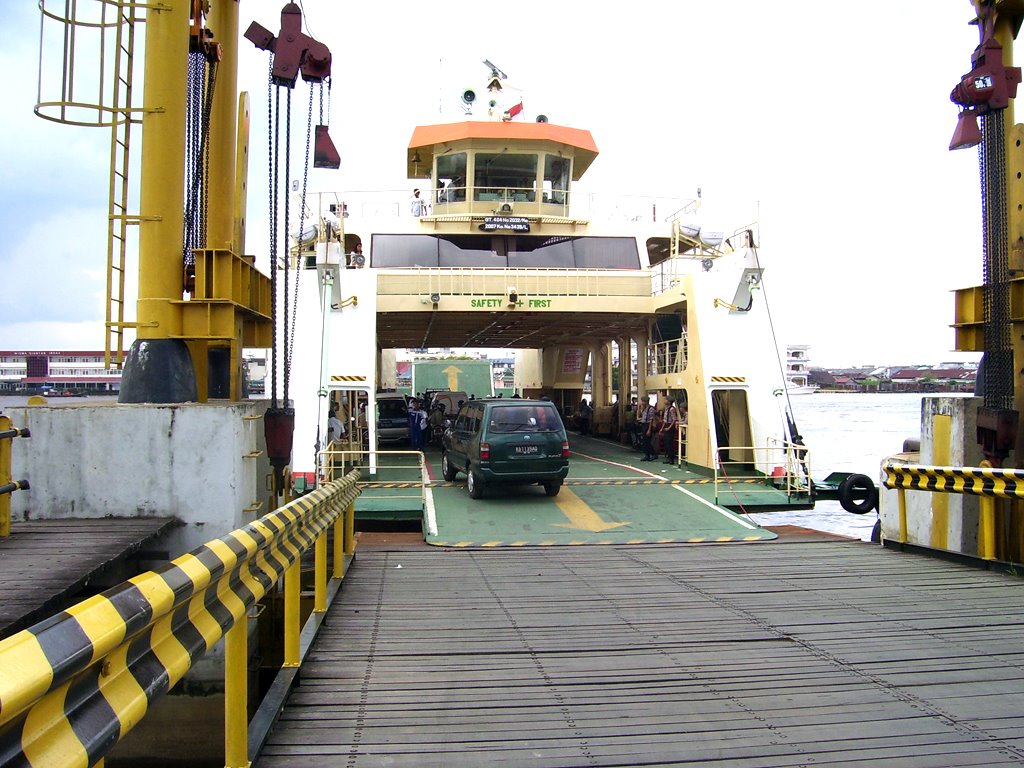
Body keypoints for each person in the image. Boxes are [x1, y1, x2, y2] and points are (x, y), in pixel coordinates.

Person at [661, 398, 680, 464]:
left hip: (670, 426)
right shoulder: (666, 408)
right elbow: (665, 420)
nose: (665, 400)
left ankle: (671, 459)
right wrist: (662, 428)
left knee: (669, 443)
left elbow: (674, 419)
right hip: (666, 425)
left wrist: (669, 427)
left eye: (666, 399)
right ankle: (668, 458)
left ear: (669, 401)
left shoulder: (672, 409)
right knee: (666, 443)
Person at [639, 397, 658, 461]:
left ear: (646, 401)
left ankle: (653, 454)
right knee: (644, 441)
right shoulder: (644, 409)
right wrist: (640, 409)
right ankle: (647, 455)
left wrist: (649, 429)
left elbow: (651, 420)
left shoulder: (651, 409)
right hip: (643, 424)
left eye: (643, 401)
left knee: (647, 441)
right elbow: (641, 416)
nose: (642, 403)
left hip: (648, 425)